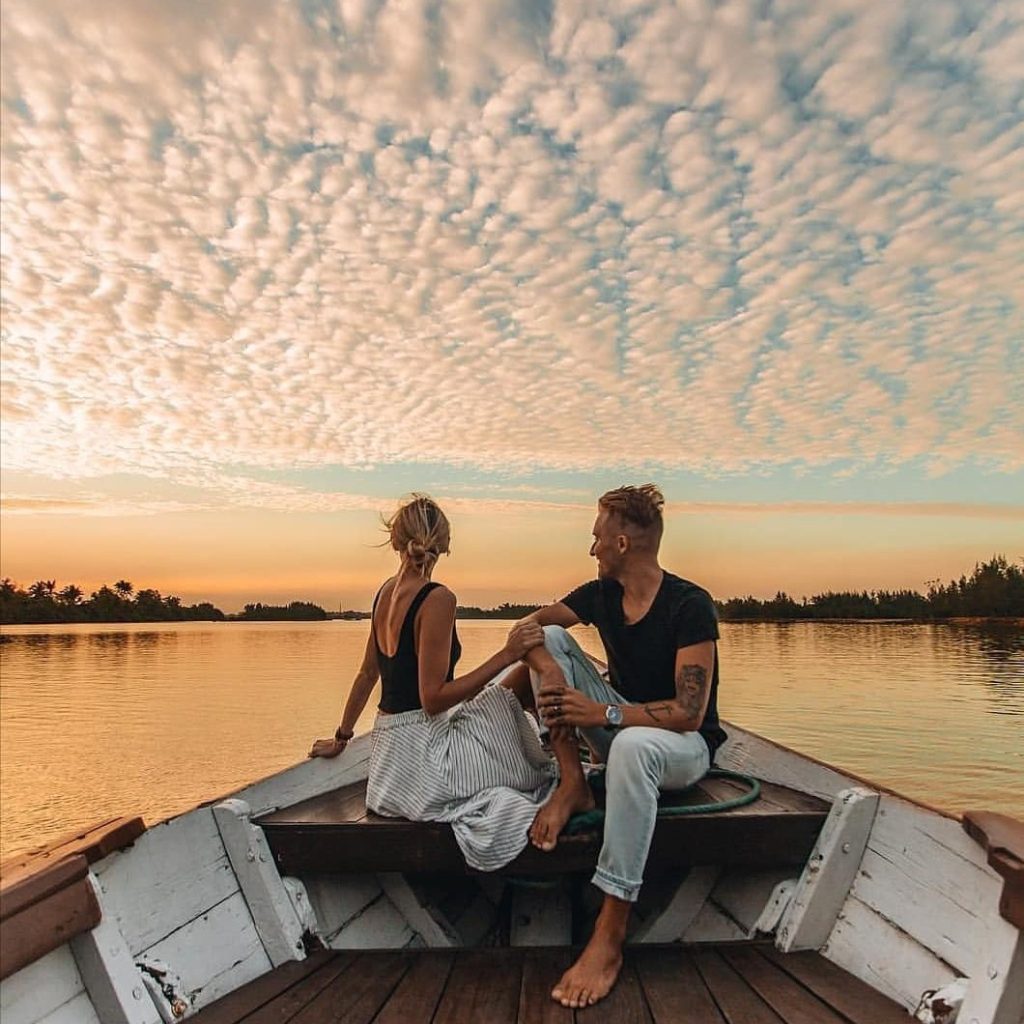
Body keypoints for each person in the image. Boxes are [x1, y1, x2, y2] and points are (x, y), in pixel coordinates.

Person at [508, 483, 725, 1009]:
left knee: (631, 749)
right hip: (621, 728)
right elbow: (528, 629)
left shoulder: (689, 605)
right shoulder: (600, 595)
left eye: (597, 536)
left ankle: (610, 931)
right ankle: (573, 783)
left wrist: (601, 713)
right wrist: (552, 671)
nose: (592, 548)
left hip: (682, 746)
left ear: (622, 544)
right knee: (552, 640)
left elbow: (688, 713)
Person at [309, 494, 553, 871]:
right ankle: (562, 761)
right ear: (444, 544)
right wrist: (508, 654)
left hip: (390, 769)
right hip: (427, 764)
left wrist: (342, 737)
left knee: (495, 698)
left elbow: (366, 675)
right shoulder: (437, 599)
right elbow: (434, 699)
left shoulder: (384, 594)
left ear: (395, 540)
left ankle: (544, 748)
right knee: (516, 708)